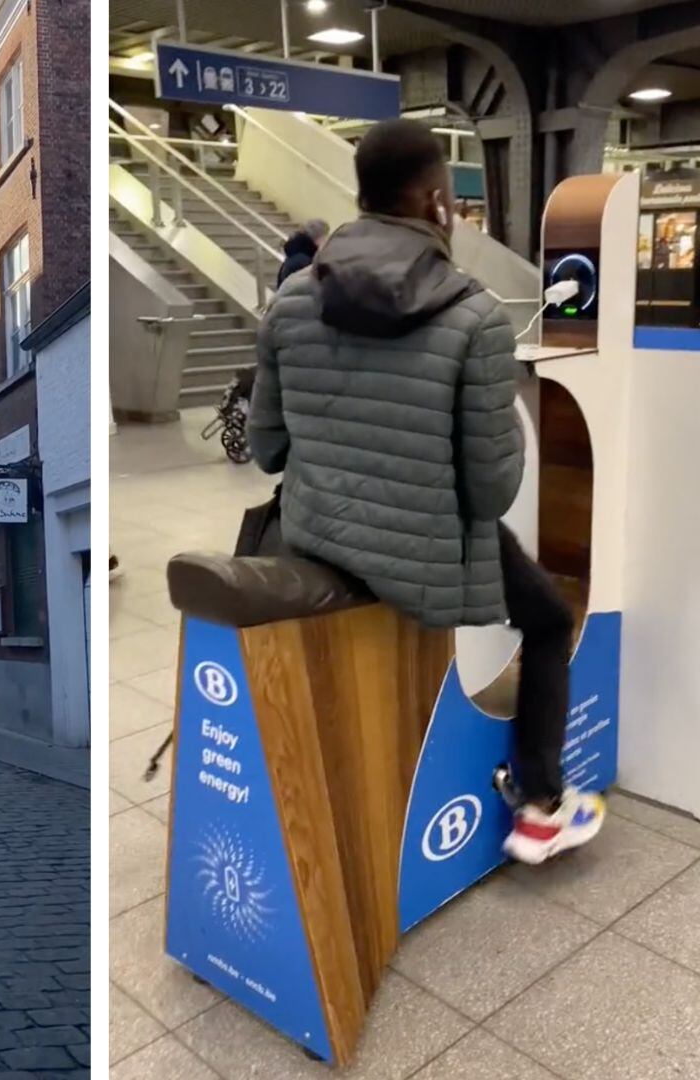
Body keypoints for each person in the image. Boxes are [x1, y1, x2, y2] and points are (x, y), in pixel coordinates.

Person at [248, 118, 602, 865]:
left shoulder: (289, 303)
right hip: (422, 558)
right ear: (438, 200)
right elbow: (490, 491)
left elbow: (267, 449)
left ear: (362, 194)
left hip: (318, 535)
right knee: (545, 619)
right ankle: (541, 805)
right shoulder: (475, 319)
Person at [275, 218, 328, 287]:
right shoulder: (303, 262)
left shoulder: (296, 256)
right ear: (319, 239)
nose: (326, 242)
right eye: (325, 237)